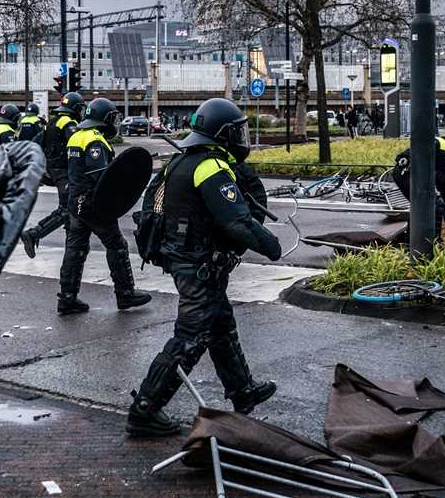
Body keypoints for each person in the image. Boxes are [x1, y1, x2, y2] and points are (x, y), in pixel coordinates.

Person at [126, 99, 281, 436]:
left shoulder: (181, 160)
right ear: (223, 134)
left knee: (221, 326)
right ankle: (145, 409)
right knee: (190, 338)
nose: (242, 137)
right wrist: (270, 245)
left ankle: (243, 391)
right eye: (237, 130)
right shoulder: (210, 167)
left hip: (185, 259)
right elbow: (237, 220)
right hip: (198, 264)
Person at [56, 97, 152, 315]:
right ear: (105, 119)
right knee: (117, 245)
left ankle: (67, 297)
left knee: (75, 250)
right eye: (114, 118)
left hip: (75, 202)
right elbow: (102, 176)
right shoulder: (94, 140)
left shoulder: (76, 136)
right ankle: (125, 293)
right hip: (93, 204)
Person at [20, 92, 84, 257]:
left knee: (70, 209)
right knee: (66, 209)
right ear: (75, 108)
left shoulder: (52, 122)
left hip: (53, 169)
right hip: (64, 171)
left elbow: (37, 141)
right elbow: (76, 144)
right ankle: (34, 234)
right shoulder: (69, 123)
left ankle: (69, 236)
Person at [391, 130, 445, 208]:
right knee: (430, 207)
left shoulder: (441, 142)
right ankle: (420, 223)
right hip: (407, 175)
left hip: (403, 171)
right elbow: (442, 179)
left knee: (425, 203)